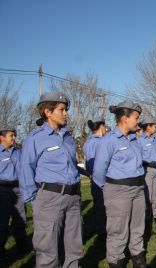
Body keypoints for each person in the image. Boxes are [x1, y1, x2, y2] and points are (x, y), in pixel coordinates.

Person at [20, 92, 83, 268]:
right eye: (62, 110)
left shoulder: (68, 137)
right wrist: (35, 200)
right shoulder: (35, 138)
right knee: (48, 251)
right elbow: (26, 169)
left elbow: (70, 165)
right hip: (49, 198)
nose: (66, 113)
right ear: (48, 112)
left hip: (73, 197)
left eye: (66, 110)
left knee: (74, 248)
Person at [93, 101, 146, 267]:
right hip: (118, 189)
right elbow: (99, 171)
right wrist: (110, 189)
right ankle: (116, 261)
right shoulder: (108, 141)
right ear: (124, 118)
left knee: (138, 226)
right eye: (136, 118)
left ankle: (138, 257)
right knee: (118, 230)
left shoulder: (134, 140)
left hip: (138, 188)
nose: (138, 121)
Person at [0, 126, 28, 262]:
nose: (14, 138)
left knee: (21, 219)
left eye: (14, 135)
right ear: (2, 137)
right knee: (2, 222)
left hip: (19, 189)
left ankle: (22, 246)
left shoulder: (18, 152)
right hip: (3, 190)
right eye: (11, 135)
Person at [137, 116, 156, 230]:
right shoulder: (139, 141)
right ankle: (147, 221)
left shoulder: (155, 140)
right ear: (148, 126)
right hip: (146, 170)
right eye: (154, 126)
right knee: (147, 197)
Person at [82, 116, 107, 242]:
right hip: (102, 180)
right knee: (102, 208)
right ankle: (102, 233)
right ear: (101, 126)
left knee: (100, 207)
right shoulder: (98, 142)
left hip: (96, 179)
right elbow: (96, 164)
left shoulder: (88, 142)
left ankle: (102, 231)